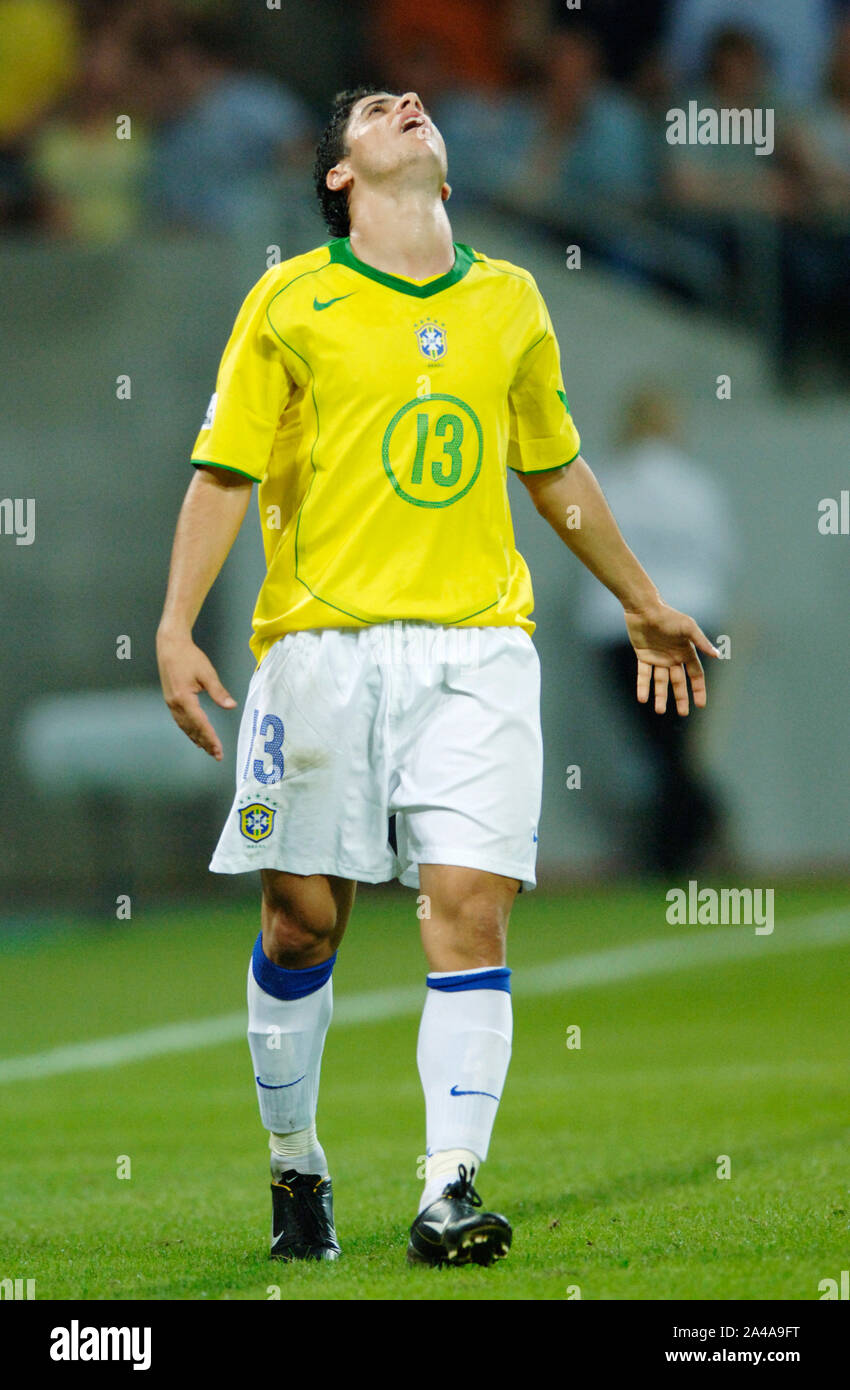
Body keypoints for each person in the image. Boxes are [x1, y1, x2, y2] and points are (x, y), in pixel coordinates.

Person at [156, 85, 718, 1269]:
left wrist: (638, 596)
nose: (408, 101)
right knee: (301, 926)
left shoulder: (509, 299)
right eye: (374, 105)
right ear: (339, 177)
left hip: (478, 651)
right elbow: (221, 472)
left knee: (470, 910)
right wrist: (171, 623)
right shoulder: (289, 298)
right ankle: (296, 1163)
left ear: (446, 175)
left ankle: (447, 1190)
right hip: (318, 653)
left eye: (415, 101)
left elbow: (552, 468)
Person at [577, 384, 735, 873]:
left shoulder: (608, 483)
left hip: (619, 631)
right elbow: (723, 557)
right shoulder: (697, 486)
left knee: (658, 743)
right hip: (690, 621)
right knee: (674, 743)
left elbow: (588, 552)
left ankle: (678, 844)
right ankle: (693, 836)